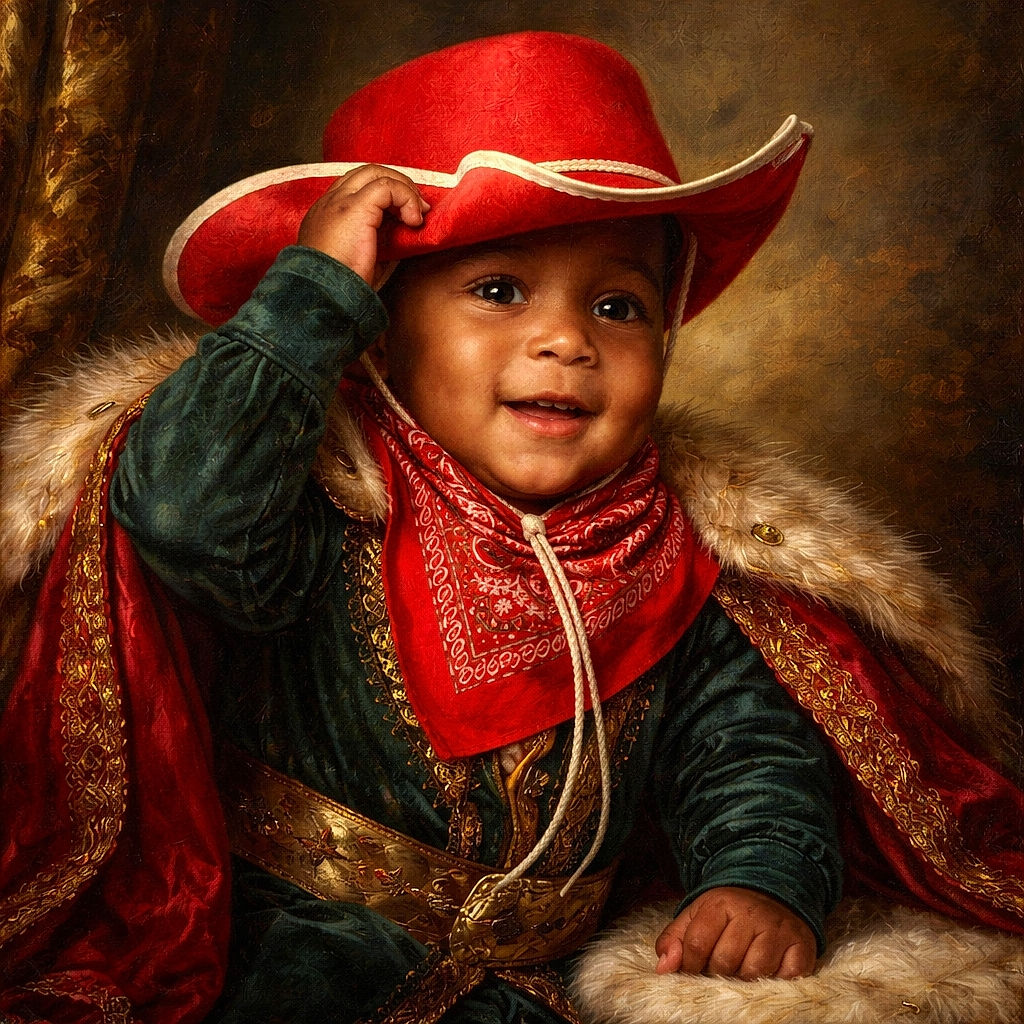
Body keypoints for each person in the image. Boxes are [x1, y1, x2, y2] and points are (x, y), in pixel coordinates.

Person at [1, 31, 1022, 1024]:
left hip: (544, 984)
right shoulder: (323, 497)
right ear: (382, 336)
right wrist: (313, 298)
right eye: (498, 291)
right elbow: (180, 517)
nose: (567, 341)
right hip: (296, 964)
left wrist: (760, 880)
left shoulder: (687, 553)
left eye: (618, 307)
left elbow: (749, 754)